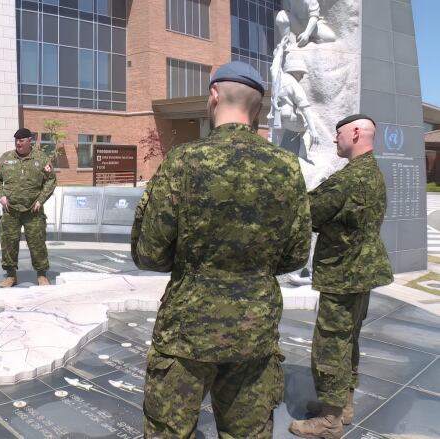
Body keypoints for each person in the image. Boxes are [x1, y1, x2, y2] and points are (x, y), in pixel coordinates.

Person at [132, 61, 312, 437]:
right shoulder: (286, 167)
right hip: (255, 329)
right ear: (258, 108)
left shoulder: (183, 161)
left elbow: (149, 252)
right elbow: (296, 255)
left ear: (213, 96)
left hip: (187, 330)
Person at [289, 115, 393, 438]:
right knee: (348, 340)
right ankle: (343, 405)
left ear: (357, 133)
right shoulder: (374, 173)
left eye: (339, 134)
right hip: (361, 274)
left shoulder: (349, 179)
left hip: (342, 275)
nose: (335, 140)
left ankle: (330, 420)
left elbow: (310, 211)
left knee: (330, 344)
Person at [0, 128, 57, 287]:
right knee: (8, 243)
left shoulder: (41, 158)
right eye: (16, 140)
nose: (18, 143)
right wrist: (1, 196)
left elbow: (51, 180)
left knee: (37, 243)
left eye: (22, 140)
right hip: (10, 211)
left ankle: (41, 274)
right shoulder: (6, 158)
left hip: (33, 211)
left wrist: (41, 199)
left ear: (29, 141)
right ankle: (11, 275)